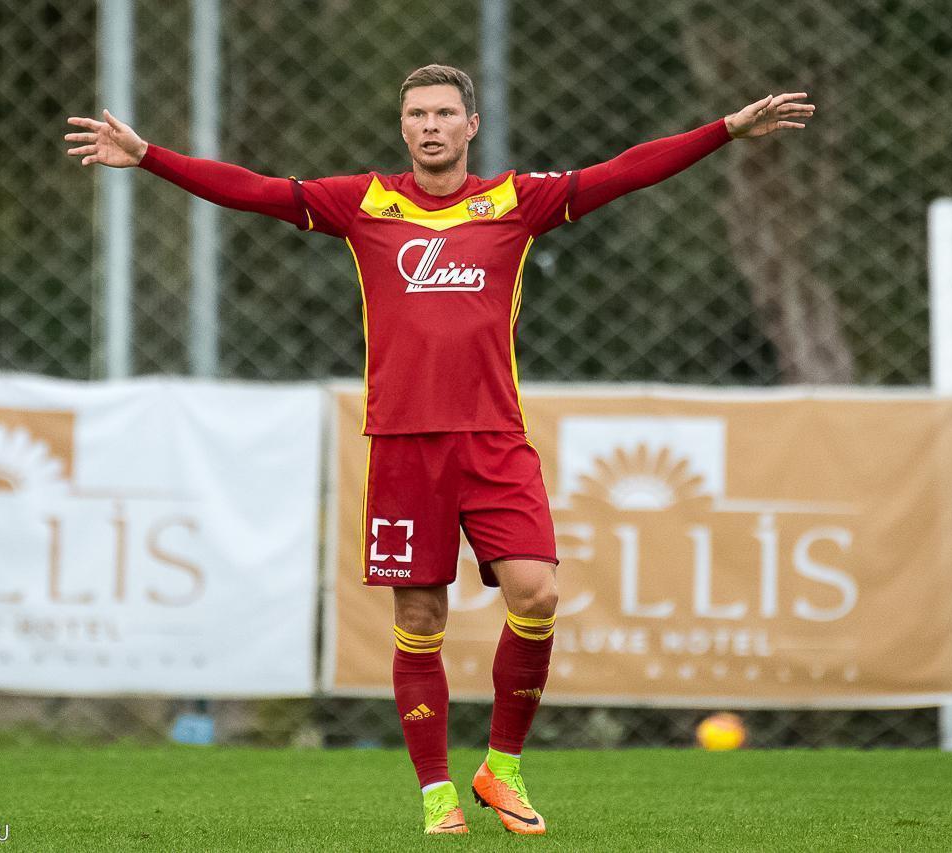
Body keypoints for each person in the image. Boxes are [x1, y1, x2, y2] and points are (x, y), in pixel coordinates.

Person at [66, 64, 813, 836]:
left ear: (471, 126)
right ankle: (436, 793)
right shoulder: (364, 202)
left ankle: (502, 766)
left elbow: (624, 171)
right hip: (402, 446)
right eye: (418, 114)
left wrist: (726, 129)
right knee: (420, 615)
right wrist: (149, 155)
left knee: (537, 594)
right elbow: (254, 190)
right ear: (403, 127)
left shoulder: (515, 202)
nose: (431, 125)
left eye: (445, 113)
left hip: (494, 441)